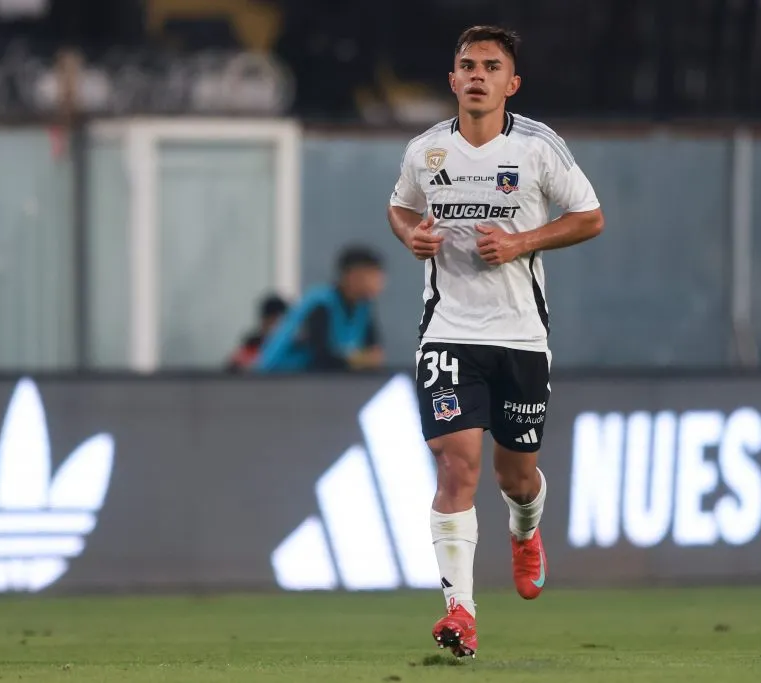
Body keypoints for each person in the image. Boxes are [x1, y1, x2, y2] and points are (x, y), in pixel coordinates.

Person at [386, 25, 605, 658]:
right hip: (448, 333)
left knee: (517, 477)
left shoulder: (539, 148)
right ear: (452, 80)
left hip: (519, 338)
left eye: (490, 65)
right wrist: (409, 236)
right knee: (456, 465)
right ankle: (461, 613)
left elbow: (590, 217)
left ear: (512, 83)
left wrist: (520, 241)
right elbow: (400, 207)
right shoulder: (426, 152)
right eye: (466, 65)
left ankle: (526, 526)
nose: (477, 74)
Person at [252, 246, 385, 372]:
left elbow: (373, 352)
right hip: (281, 378)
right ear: (352, 276)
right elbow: (319, 355)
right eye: (372, 275)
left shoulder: (363, 308)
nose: (379, 282)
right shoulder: (320, 304)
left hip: (321, 383)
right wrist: (357, 360)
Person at [225, 294, 290, 371]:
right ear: (264, 321)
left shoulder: (290, 349)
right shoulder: (249, 347)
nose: (276, 328)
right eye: (272, 321)